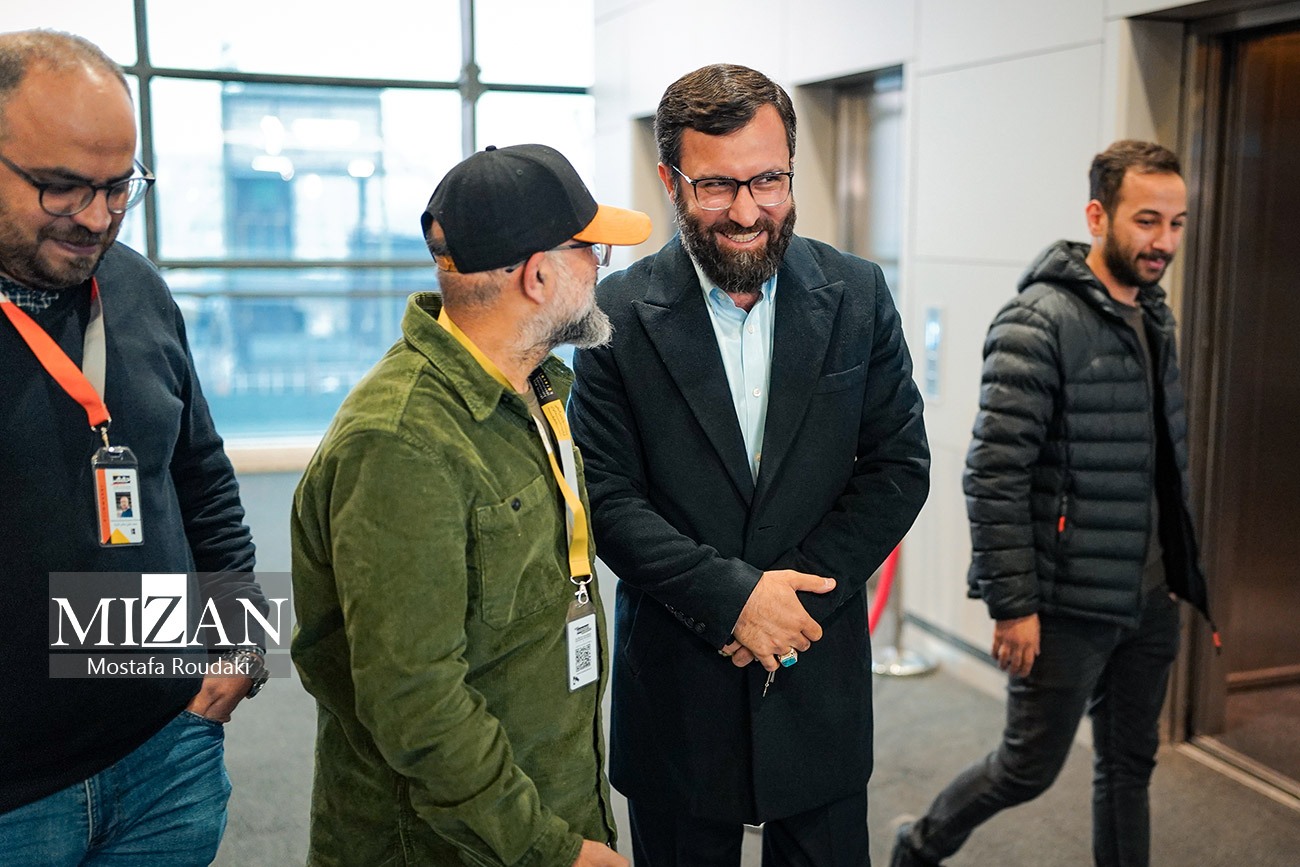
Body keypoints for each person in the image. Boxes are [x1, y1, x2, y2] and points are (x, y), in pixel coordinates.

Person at [568, 63, 931, 866]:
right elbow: (608, 500)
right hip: (680, 685)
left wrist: (785, 604)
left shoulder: (858, 293)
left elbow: (898, 465)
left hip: (817, 668)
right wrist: (735, 600)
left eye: (768, 180)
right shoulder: (615, 314)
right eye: (716, 186)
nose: (746, 210)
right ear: (671, 180)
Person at [291, 142, 651, 867]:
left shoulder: (533, 388)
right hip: (450, 845)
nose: (600, 270)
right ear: (538, 275)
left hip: (537, 804)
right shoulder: (401, 444)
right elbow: (416, 702)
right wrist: (552, 851)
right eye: (591, 252)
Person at [890, 140, 1214, 867]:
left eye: (1177, 223)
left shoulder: (1154, 316)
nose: (1164, 242)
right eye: (1147, 221)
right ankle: (920, 844)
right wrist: (1014, 606)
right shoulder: (1037, 321)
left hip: (1148, 594)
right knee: (1027, 767)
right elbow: (994, 472)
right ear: (1098, 216)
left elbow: (1160, 462)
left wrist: (1178, 572)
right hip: (1066, 602)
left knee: (1129, 767)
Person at [0, 29, 267, 866]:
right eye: (62, 187)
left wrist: (240, 641)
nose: (97, 217)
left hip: (168, 754)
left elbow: (202, 477)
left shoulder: (138, 287)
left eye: (120, 186)